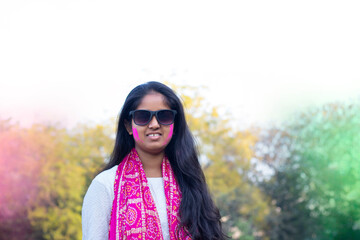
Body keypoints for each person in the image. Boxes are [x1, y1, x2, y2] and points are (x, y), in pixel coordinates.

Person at [82, 81, 226, 240]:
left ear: (174, 124)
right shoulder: (105, 185)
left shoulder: (189, 182)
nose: (154, 124)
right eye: (143, 116)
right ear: (129, 126)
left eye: (164, 116)